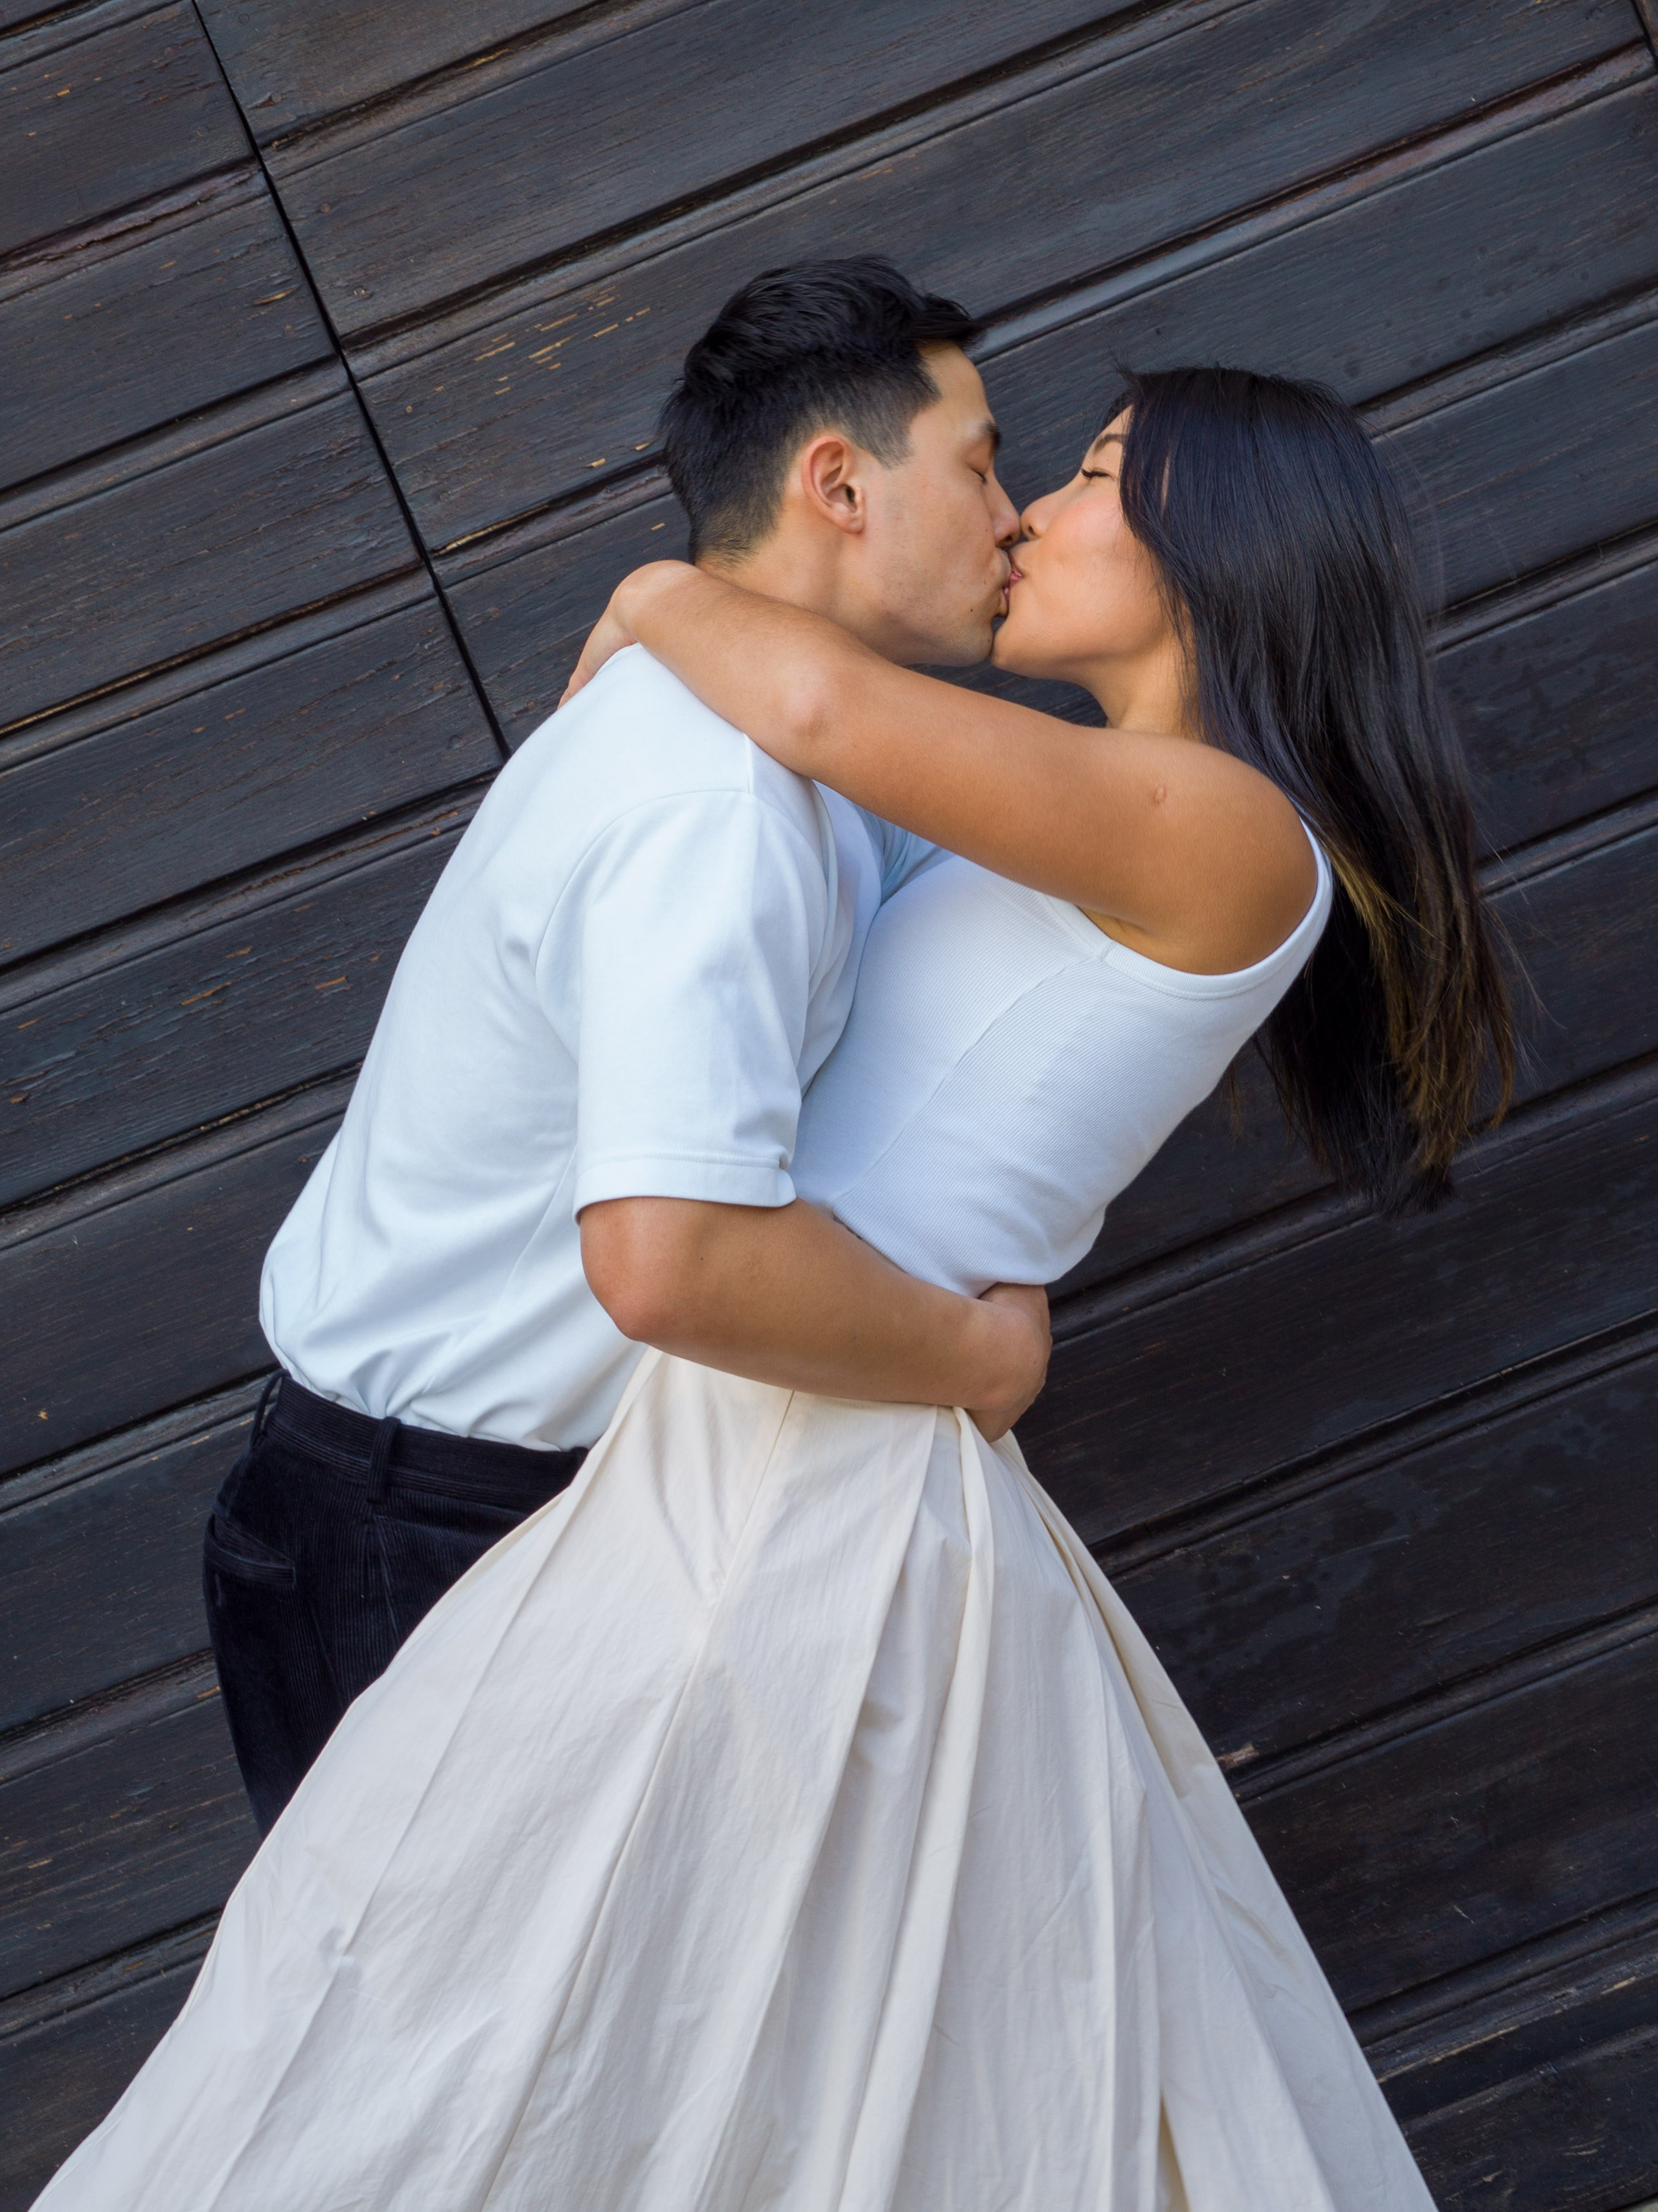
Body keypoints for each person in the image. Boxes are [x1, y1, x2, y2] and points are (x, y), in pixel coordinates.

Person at [38, 365, 1512, 2210]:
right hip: (749, 1476)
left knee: (532, 2065)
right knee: (586, 2068)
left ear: (1235, 542)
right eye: (1025, 468)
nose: (1032, 512)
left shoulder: (1227, 832)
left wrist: (659, 593)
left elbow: (810, 701)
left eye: (1095, 474)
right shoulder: (1096, 804)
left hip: (807, 1509)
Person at [205, 259, 1050, 1834]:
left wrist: (661, 593)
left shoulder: (795, 762)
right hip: (424, 1541)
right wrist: (979, 1357)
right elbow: (664, 1259)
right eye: (982, 458)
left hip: (482, 1519)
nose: (1012, 510)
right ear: (838, 483)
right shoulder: (710, 800)